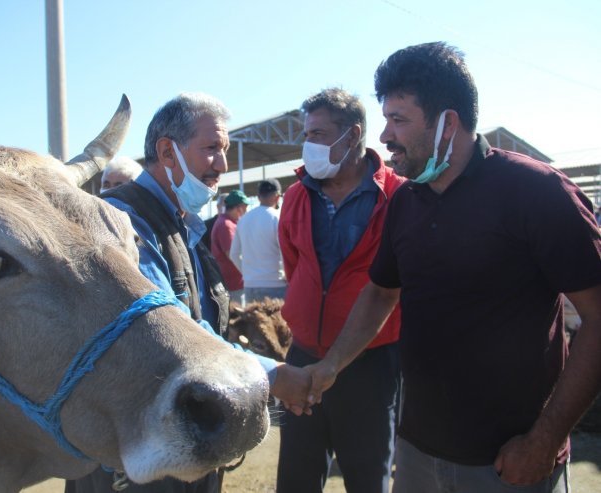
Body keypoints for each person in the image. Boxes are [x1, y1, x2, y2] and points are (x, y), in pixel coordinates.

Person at [304, 42, 601, 493]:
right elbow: (381, 291)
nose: (384, 136)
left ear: (448, 122)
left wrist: (545, 439)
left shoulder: (538, 193)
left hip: (510, 464)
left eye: (398, 120)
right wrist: (332, 365)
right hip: (417, 455)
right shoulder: (405, 202)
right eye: (386, 119)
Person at [67, 92, 310, 493]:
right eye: (212, 148)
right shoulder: (125, 223)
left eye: (225, 150)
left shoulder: (186, 227)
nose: (223, 164)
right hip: (137, 454)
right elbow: (169, 331)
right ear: (167, 152)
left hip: (183, 437)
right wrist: (273, 375)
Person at [276, 88, 405, 493]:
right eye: (306, 134)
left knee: (367, 475)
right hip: (303, 358)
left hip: (370, 362)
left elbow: (397, 287)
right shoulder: (297, 196)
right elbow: (296, 267)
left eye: (318, 133)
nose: (308, 144)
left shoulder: (398, 196)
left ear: (352, 135)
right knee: (297, 473)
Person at [229, 178, 287, 303]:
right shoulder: (277, 218)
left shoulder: (243, 220)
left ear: (259, 197)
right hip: (276, 284)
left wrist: (248, 273)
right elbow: (285, 251)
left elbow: (234, 254)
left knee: (254, 322)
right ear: (277, 197)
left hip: (250, 285)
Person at [211, 190, 249, 304]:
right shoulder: (226, 225)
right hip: (234, 284)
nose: (246, 211)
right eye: (245, 207)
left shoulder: (227, 222)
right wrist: (248, 273)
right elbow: (233, 254)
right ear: (239, 207)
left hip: (233, 281)